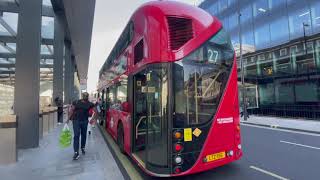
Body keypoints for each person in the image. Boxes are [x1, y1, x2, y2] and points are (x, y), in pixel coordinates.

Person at [68, 92, 96, 160]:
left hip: (84, 121)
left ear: (88, 96)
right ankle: (76, 152)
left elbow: (96, 111)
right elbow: (72, 110)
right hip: (76, 121)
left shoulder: (90, 104)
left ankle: (82, 147)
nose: (85, 97)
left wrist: (93, 118)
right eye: (84, 96)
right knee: (76, 135)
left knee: (83, 135)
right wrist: (68, 119)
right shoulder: (76, 102)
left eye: (86, 96)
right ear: (82, 96)